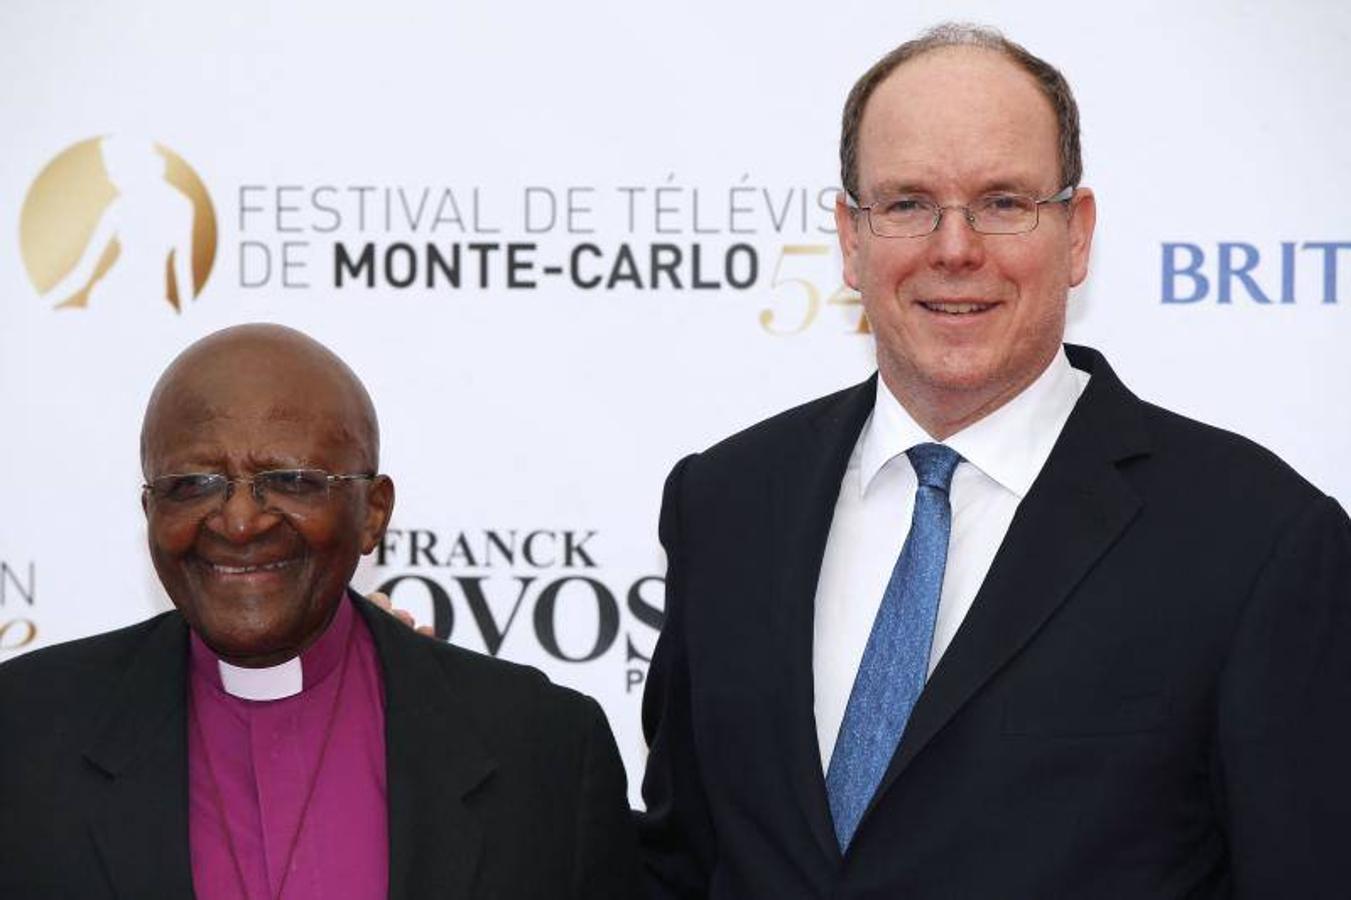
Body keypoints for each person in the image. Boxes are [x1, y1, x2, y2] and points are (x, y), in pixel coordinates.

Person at [637, 23, 1351, 898]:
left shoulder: (1256, 542)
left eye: (1004, 202)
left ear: (1076, 234)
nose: (953, 248)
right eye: (905, 204)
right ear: (850, 240)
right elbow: (679, 860)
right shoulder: (726, 503)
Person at [0, 323, 638, 900]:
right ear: (150, 513)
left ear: (375, 514)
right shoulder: (21, 736)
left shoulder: (544, 750)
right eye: (193, 484)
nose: (241, 522)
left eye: (292, 480)